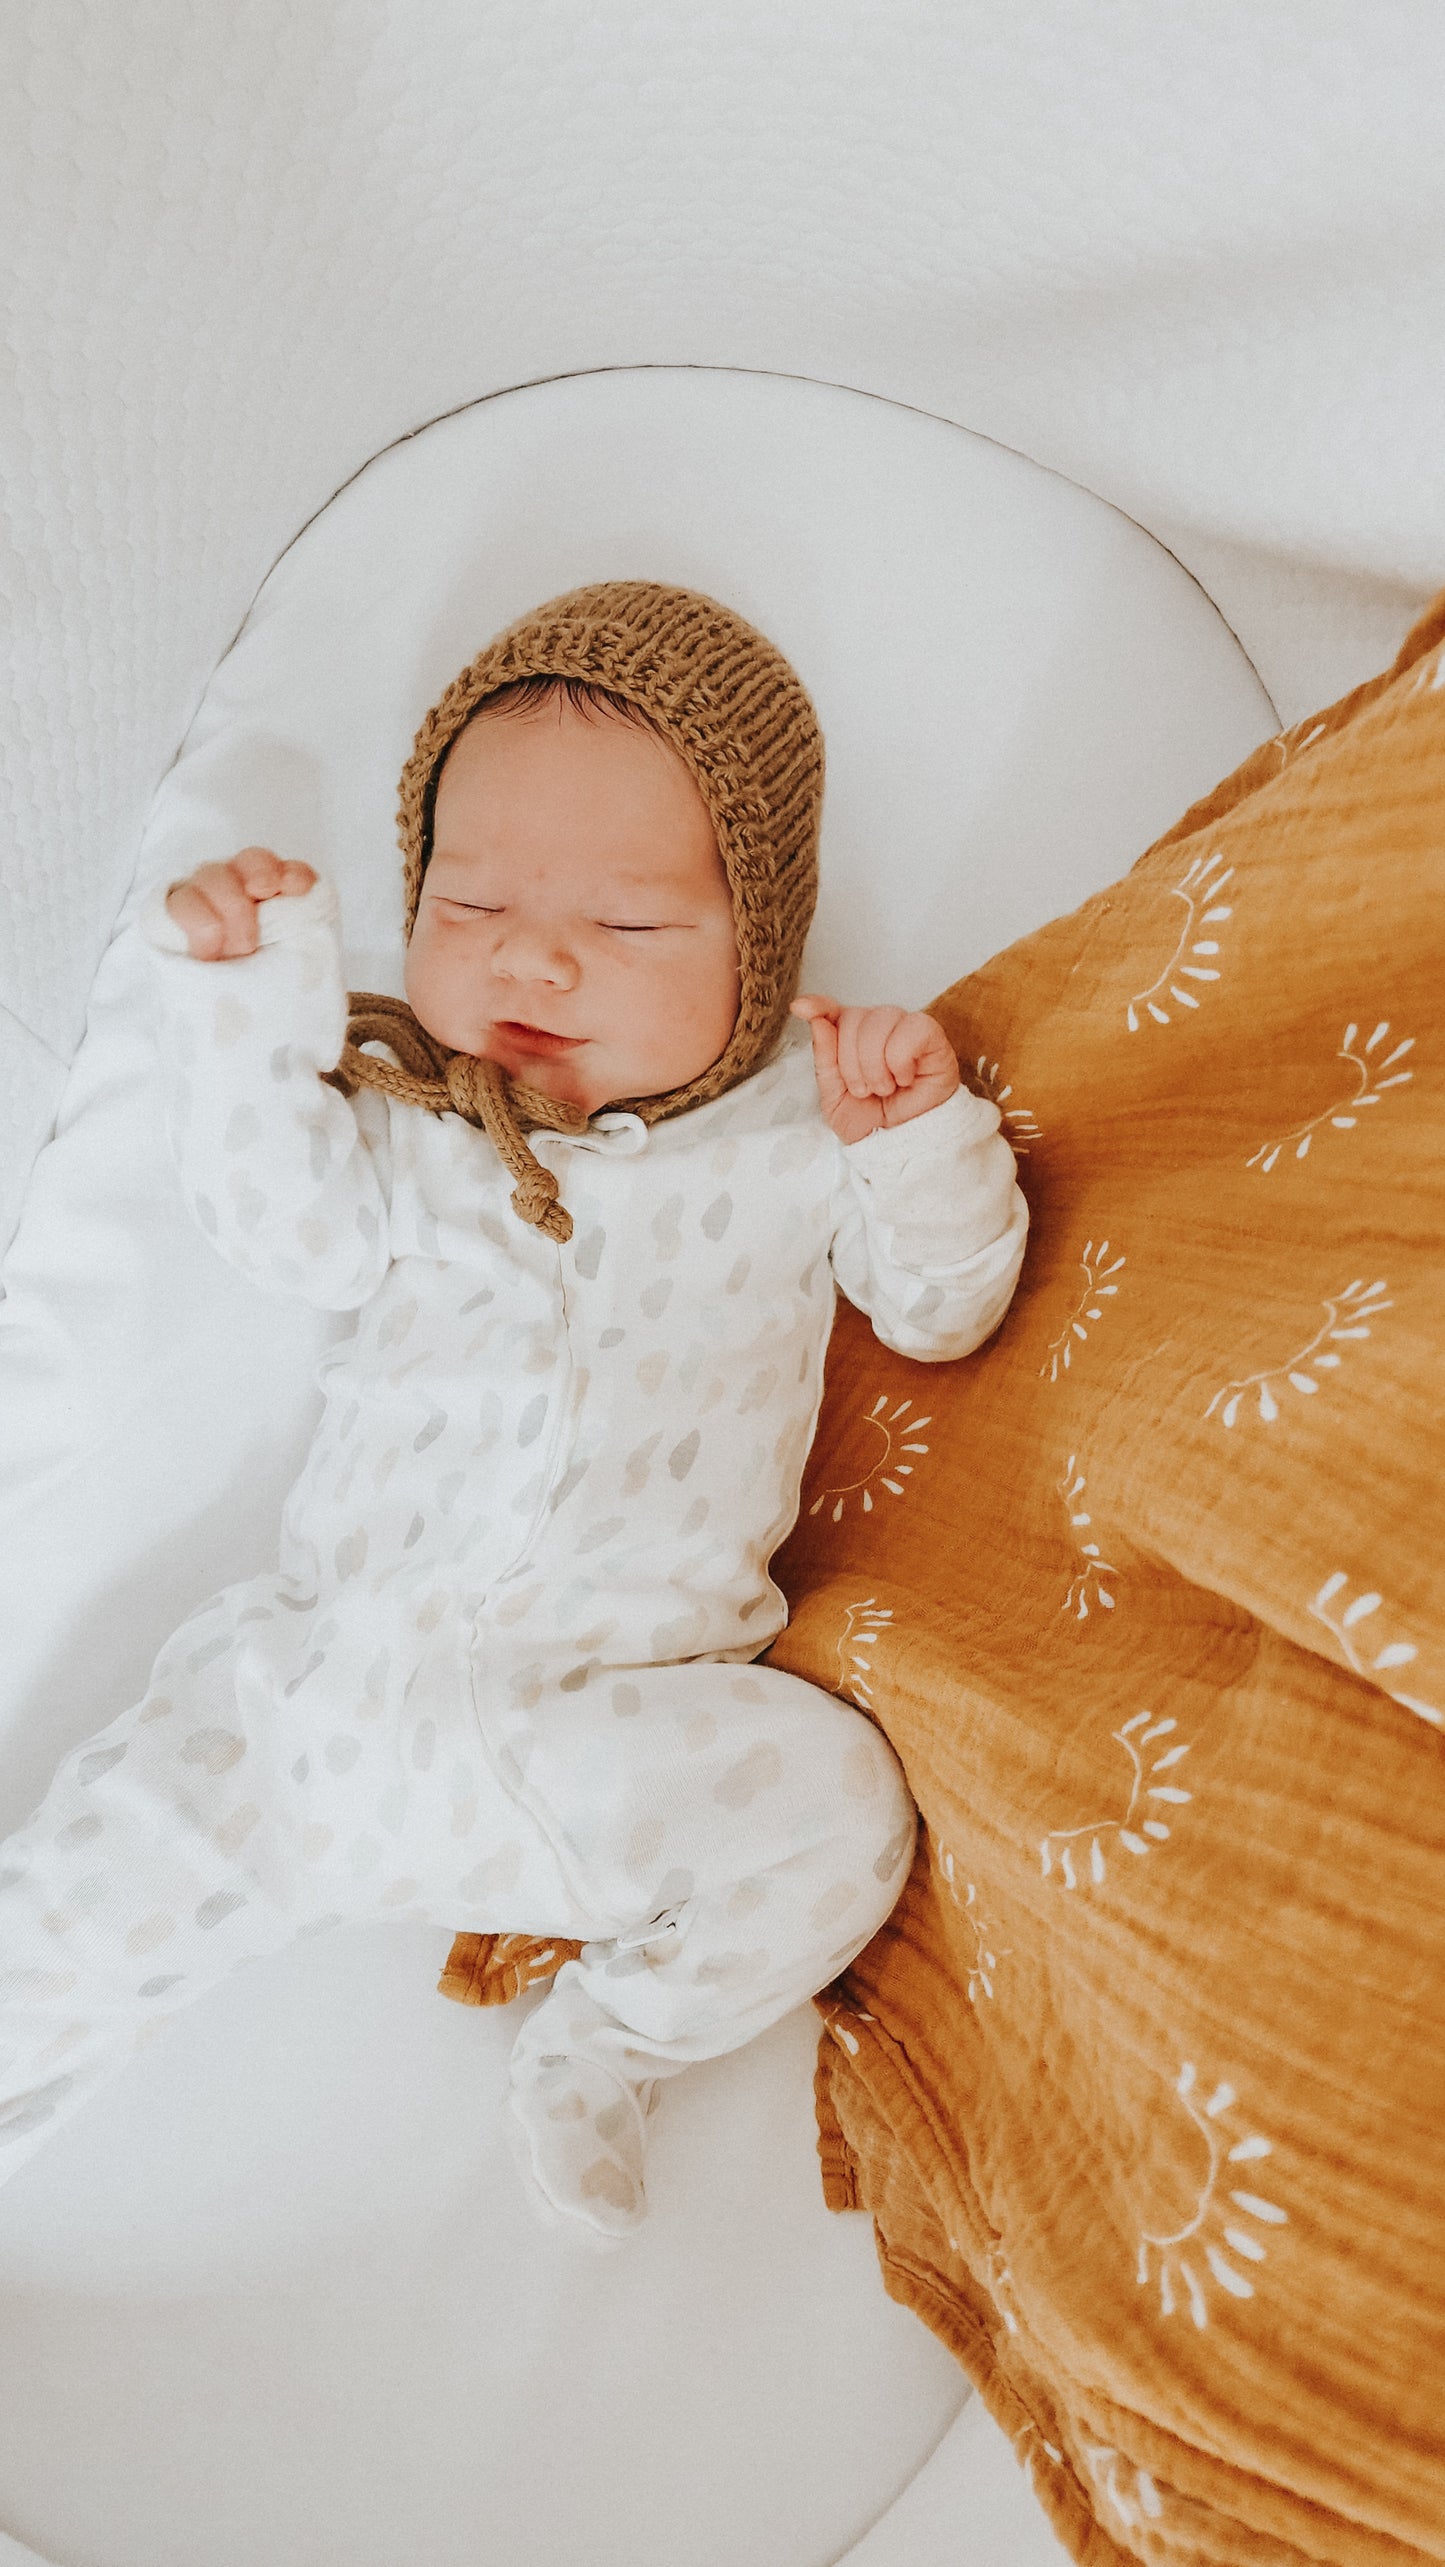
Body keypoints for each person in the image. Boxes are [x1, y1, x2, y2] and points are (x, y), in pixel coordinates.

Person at [0, 582, 1028, 2243]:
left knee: (839, 1811)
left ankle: (608, 2041)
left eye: (627, 928)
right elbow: (283, 1229)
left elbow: (943, 1307)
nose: (533, 956)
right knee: (57, 1929)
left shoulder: (794, 1129)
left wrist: (911, 1142)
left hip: (608, 1731)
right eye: (468, 902)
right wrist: (246, 1010)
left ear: (757, 946)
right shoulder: (419, 1123)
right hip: (310, 1710)